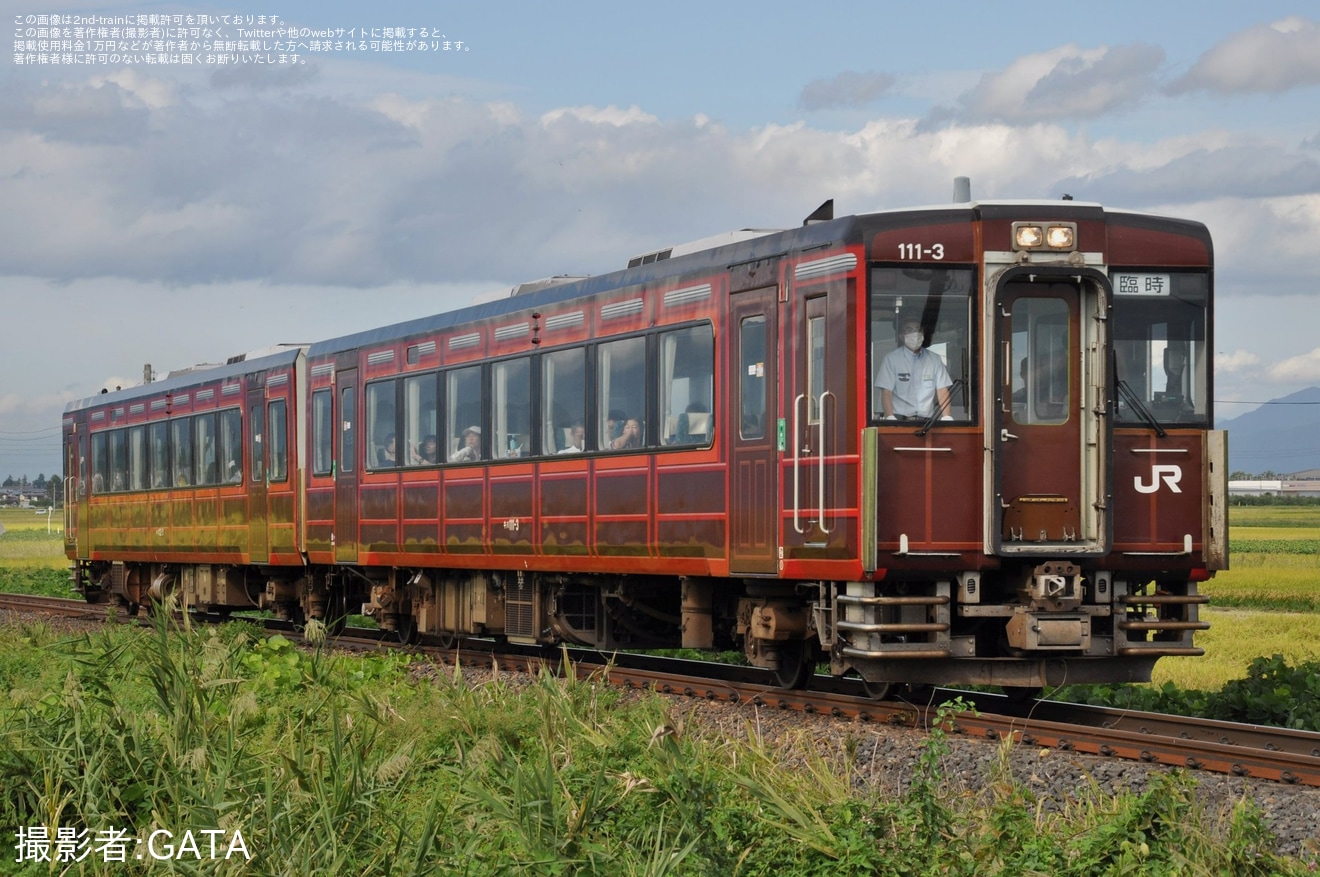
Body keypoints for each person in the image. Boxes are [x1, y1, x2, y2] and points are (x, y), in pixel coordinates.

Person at [875, 317, 952, 420]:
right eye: (909, 330)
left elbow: (942, 389)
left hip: (926, 423)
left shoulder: (934, 359)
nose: (914, 333)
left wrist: (946, 417)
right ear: (902, 336)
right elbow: (886, 392)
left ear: (923, 334)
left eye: (918, 329)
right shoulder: (891, 359)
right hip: (900, 420)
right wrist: (890, 417)